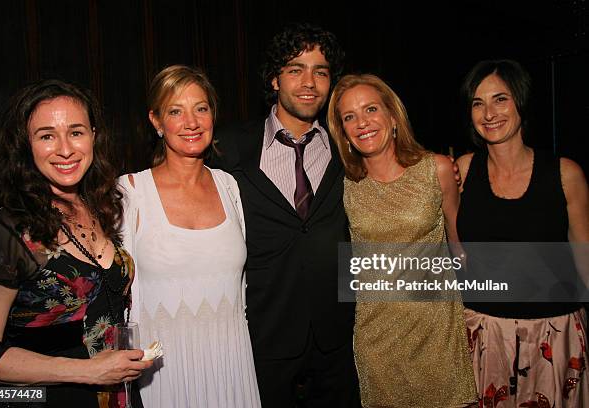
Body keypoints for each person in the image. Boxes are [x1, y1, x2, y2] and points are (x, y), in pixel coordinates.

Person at [0, 79, 152, 407]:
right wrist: (88, 372)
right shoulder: (9, 230)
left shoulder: (101, 204)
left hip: (118, 396)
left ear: (94, 136)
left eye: (76, 132)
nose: (66, 149)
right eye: (46, 135)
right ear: (25, 145)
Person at [211, 23, 360, 407]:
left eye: (321, 71)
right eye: (296, 69)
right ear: (275, 79)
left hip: (338, 336)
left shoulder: (349, 148)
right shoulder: (229, 149)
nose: (309, 82)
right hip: (265, 334)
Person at [326, 73, 477, 407]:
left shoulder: (436, 169)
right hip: (377, 338)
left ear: (392, 117)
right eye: (349, 117)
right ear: (343, 132)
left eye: (371, 109)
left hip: (437, 333)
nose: (362, 122)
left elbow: (459, 247)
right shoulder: (345, 183)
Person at [119, 65, 260, 408]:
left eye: (201, 108)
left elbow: (241, 292)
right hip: (163, 375)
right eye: (175, 111)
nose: (192, 122)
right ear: (156, 121)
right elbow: (119, 298)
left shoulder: (229, 186)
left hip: (233, 365)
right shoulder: (130, 192)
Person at [456, 59, 589, 407]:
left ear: (521, 103)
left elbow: (584, 257)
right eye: (477, 103)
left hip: (554, 335)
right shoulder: (463, 170)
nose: (489, 113)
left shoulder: (566, 174)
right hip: (485, 336)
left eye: (500, 99)